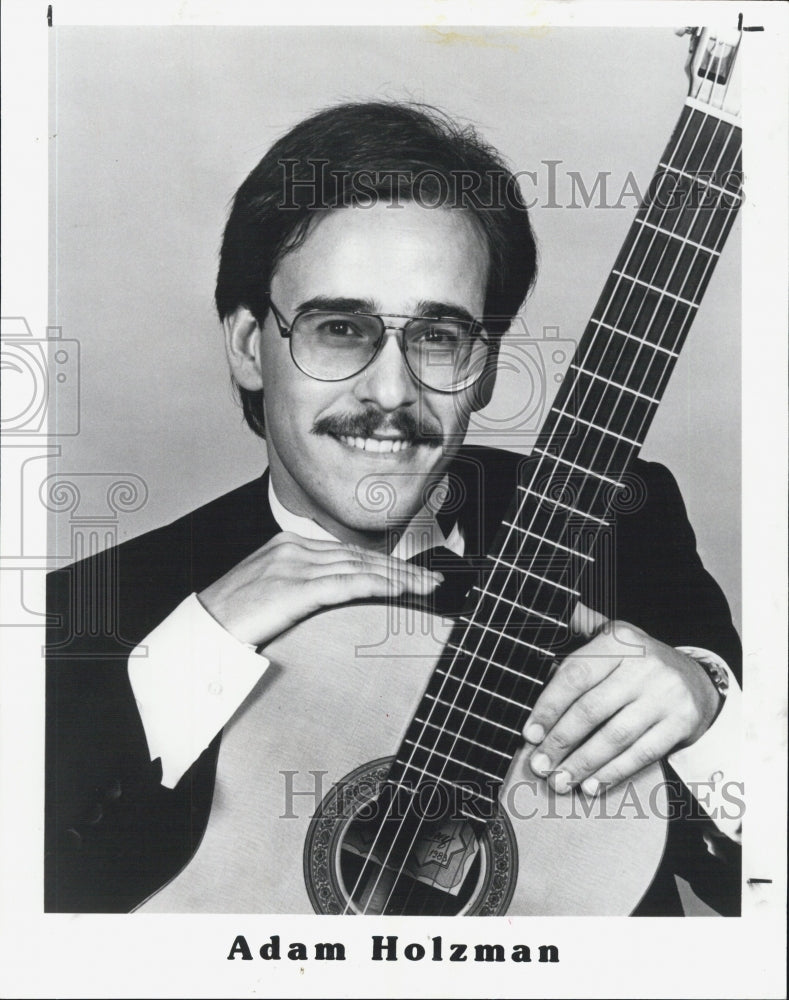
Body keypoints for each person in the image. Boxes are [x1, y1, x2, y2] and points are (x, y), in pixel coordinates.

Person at [45, 101, 742, 915]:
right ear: (246, 346)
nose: (389, 391)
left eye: (439, 336)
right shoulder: (90, 610)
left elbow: (749, 903)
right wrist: (192, 654)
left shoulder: (620, 522)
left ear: (484, 368)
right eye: (340, 328)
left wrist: (710, 722)